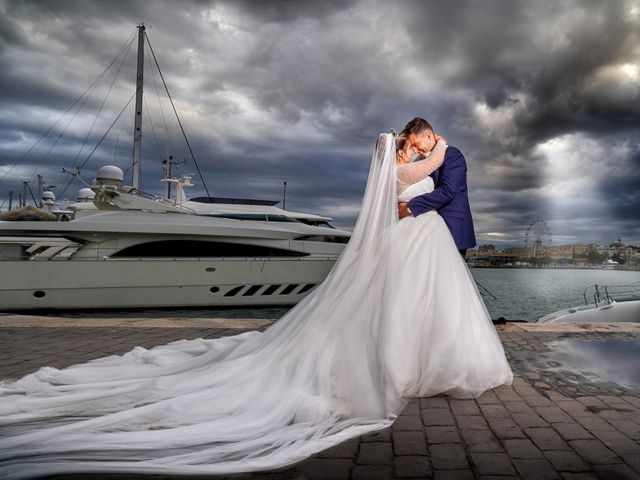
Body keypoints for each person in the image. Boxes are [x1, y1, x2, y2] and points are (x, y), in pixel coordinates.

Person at [0, 132, 512, 479]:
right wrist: (437, 146)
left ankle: (422, 357)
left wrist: (427, 157)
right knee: (409, 302)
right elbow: (440, 172)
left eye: (417, 144)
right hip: (414, 235)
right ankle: (412, 362)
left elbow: (443, 181)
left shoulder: (403, 167)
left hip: (423, 239)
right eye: (412, 144)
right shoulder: (418, 163)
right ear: (406, 144)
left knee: (419, 302)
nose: (418, 148)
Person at [398, 117, 476, 257]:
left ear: (428, 135)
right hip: (428, 231)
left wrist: (410, 206)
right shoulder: (423, 160)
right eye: (412, 147)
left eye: (416, 144)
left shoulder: (452, 155)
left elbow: (448, 191)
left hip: (452, 228)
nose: (415, 150)